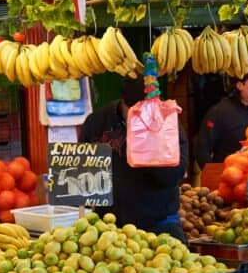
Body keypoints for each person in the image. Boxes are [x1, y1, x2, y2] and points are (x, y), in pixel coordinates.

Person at [78, 76, 189, 242]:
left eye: (148, 110)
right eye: (136, 111)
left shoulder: (166, 121)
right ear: (123, 103)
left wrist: (153, 143)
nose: (143, 116)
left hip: (159, 223)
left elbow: (172, 178)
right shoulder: (97, 122)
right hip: (110, 227)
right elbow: (81, 174)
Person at [194, 69, 248, 168]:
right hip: (230, 176)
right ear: (240, 85)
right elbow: (202, 150)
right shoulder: (220, 111)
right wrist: (214, 175)